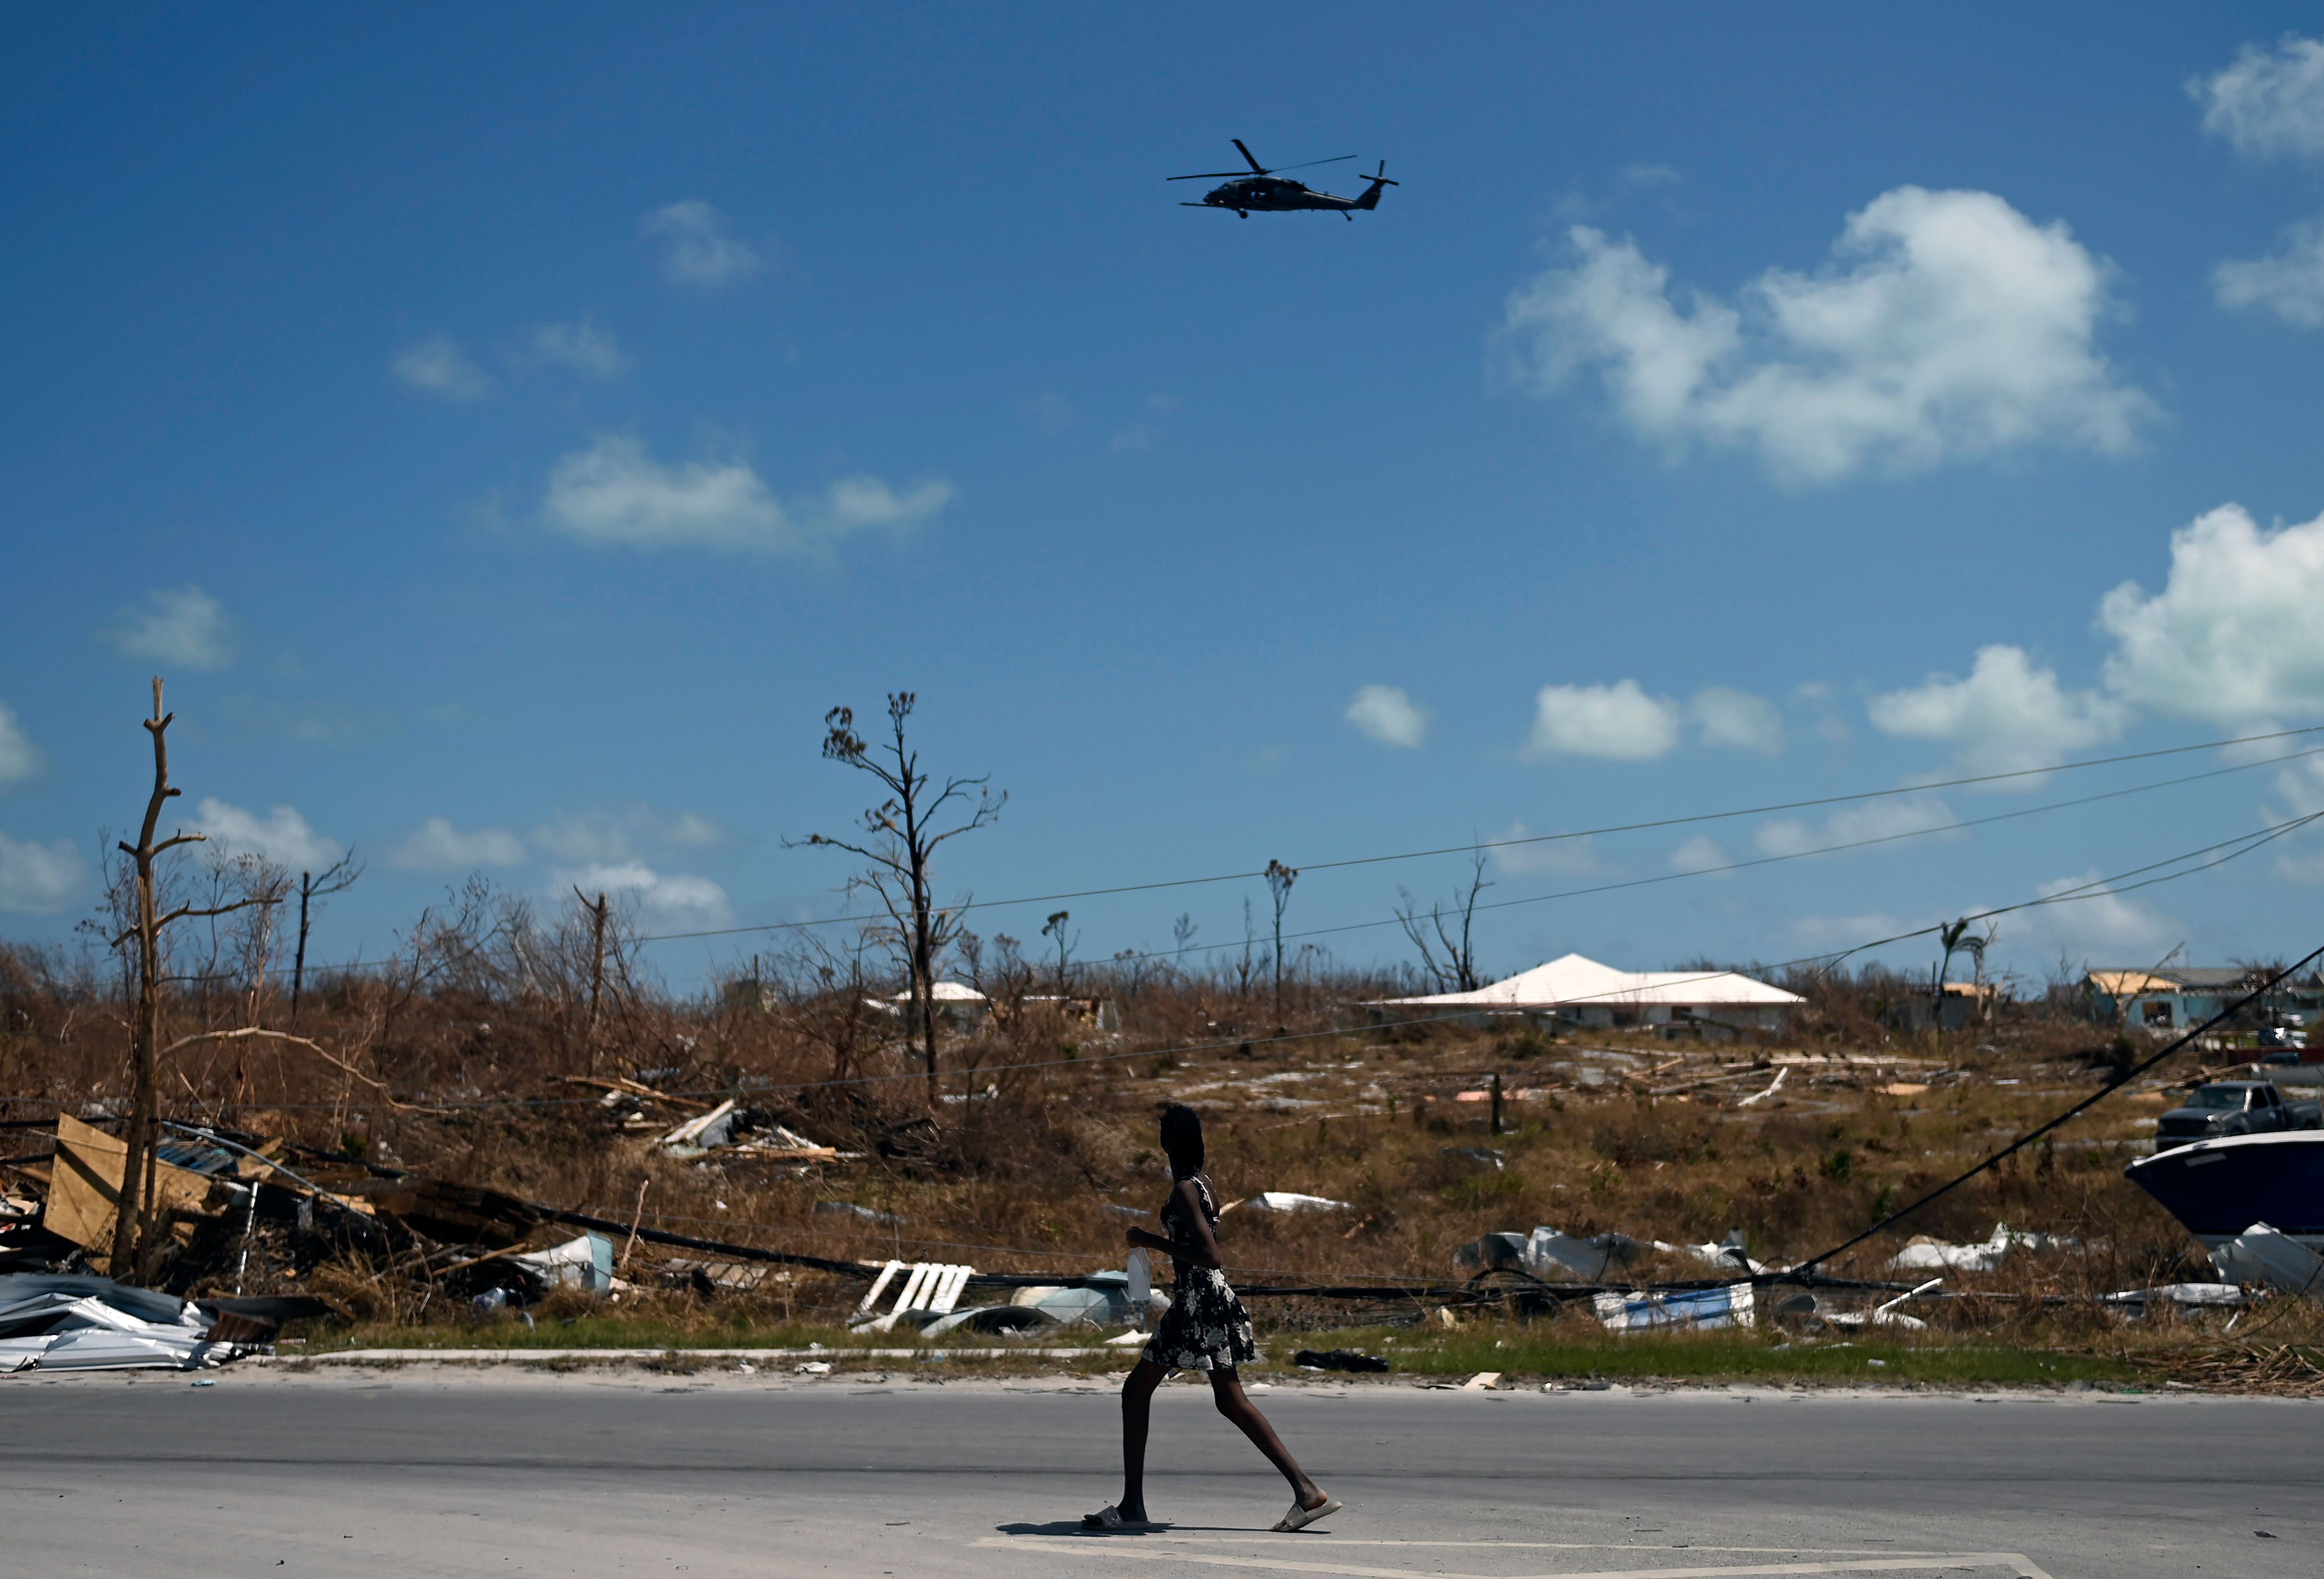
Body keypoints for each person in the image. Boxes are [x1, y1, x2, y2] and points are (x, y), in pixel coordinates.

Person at [1083, 1103, 1341, 1534]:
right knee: (1228, 1400)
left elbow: (1209, 1254)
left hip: (1197, 1302)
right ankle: (1306, 1491)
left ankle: (1133, 1507)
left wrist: (1149, 1240)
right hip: (1209, 1299)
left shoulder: (1186, 1189)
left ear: (1165, 1143)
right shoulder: (1204, 1184)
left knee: (1136, 1392)